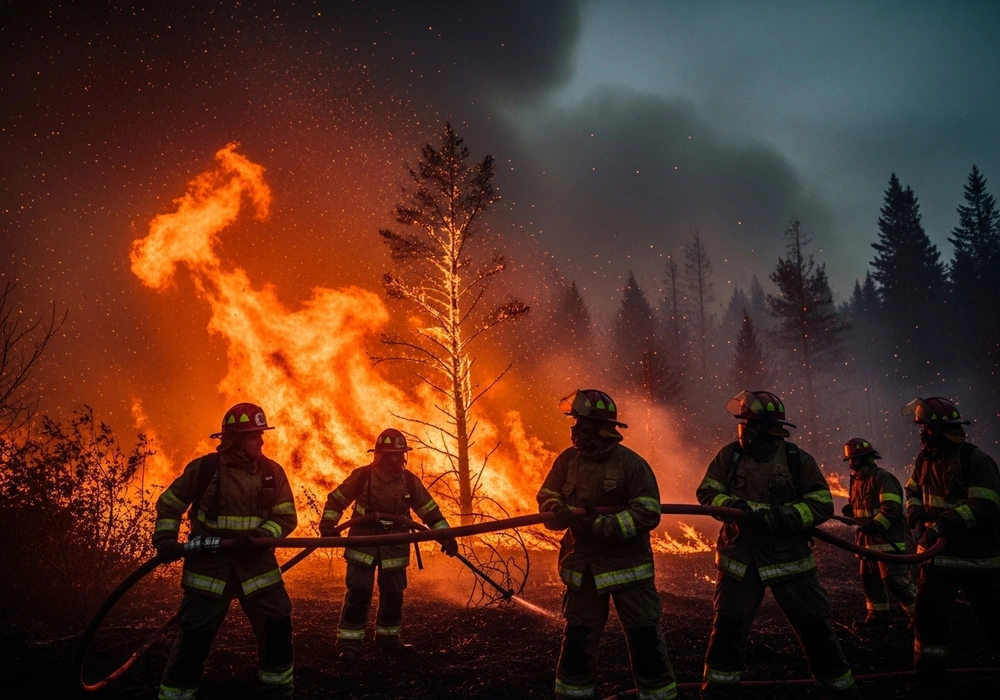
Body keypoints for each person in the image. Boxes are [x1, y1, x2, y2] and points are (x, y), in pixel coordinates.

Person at [696, 390, 857, 699]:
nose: (742, 430)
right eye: (742, 423)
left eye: (747, 424)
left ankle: (840, 692)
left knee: (816, 631)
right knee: (727, 633)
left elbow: (822, 503)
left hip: (789, 562)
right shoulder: (728, 456)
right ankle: (717, 693)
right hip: (740, 561)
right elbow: (707, 492)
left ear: (761, 428)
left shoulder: (796, 460)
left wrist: (782, 518)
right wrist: (729, 504)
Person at [536, 389, 677, 700]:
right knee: (577, 645)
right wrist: (554, 510)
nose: (574, 432)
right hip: (583, 571)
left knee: (646, 645)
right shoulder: (567, 461)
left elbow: (647, 513)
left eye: (581, 426)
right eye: (573, 425)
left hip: (630, 573)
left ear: (601, 429)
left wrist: (598, 525)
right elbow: (547, 494)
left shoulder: (631, 465)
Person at [152, 402, 297, 700]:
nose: (262, 442)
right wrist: (166, 539)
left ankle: (278, 693)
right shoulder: (204, 470)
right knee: (194, 637)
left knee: (277, 628)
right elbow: (170, 504)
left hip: (258, 568)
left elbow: (285, 517)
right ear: (235, 440)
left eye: (261, 435)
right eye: (254, 436)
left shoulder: (271, 472)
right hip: (209, 570)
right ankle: (175, 696)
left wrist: (259, 536)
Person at [320, 428, 458, 662]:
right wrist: (327, 525)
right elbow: (336, 499)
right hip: (363, 544)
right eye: (394, 455)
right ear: (381, 455)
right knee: (359, 592)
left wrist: (446, 536)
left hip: (394, 546)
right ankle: (349, 644)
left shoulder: (409, 481)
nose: (400, 459)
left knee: (394, 593)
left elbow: (430, 512)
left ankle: (388, 639)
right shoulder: (363, 476)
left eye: (402, 454)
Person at [901, 397, 1000, 684]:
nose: (921, 433)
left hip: (978, 558)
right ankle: (929, 676)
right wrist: (916, 513)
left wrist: (944, 525)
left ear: (941, 429)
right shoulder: (925, 458)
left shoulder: (974, 459)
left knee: (995, 618)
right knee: (928, 620)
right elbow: (912, 490)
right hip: (936, 558)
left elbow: (985, 505)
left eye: (925, 428)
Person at [840, 437, 915, 627]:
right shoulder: (856, 480)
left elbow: (891, 508)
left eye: (854, 459)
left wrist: (876, 525)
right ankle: (878, 617)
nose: (851, 463)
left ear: (866, 458)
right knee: (870, 581)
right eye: (850, 460)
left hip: (888, 539)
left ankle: (920, 616)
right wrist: (852, 509)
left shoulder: (882, 477)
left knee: (895, 580)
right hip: (867, 541)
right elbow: (864, 506)